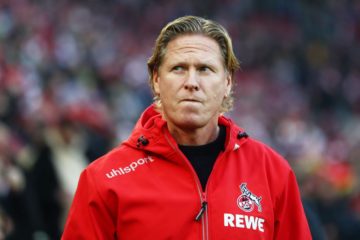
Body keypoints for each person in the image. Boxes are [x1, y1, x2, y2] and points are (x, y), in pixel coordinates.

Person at [62, 15, 311, 239]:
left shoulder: (272, 173)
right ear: (156, 80)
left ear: (227, 82)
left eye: (205, 69)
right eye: (178, 68)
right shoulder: (104, 180)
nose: (191, 82)